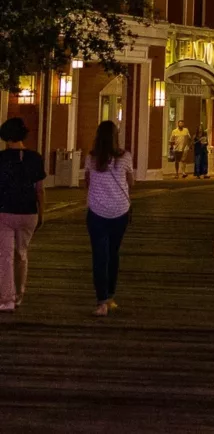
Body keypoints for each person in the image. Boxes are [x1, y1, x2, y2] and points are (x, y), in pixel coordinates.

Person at [84, 120, 135, 316]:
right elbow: (131, 182)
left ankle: (102, 301)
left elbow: (87, 182)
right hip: (120, 211)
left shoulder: (91, 158)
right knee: (113, 254)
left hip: (97, 212)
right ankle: (111, 295)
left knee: (99, 256)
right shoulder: (125, 157)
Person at [0, 117, 46, 312]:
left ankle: (7, 299)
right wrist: (42, 213)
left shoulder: (0, 159)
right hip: (29, 212)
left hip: (5, 211)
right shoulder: (35, 158)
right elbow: (40, 189)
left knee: (5, 256)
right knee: (21, 253)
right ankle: (20, 293)